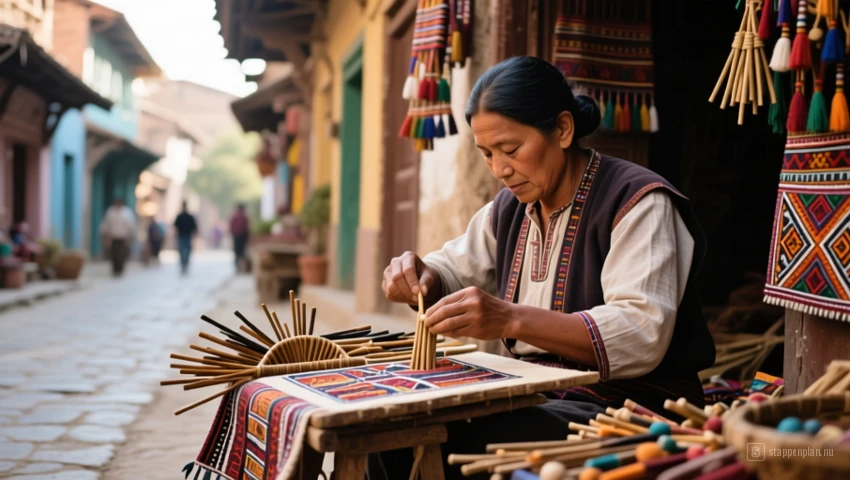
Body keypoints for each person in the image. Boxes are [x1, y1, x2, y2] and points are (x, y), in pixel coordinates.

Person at [372, 56, 716, 480]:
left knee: (458, 436)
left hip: (633, 409)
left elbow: (641, 331)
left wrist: (509, 318)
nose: (500, 170)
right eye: (486, 154)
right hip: (543, 395)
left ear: (563, 130)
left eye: (511, 150)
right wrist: (418, 276)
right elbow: (453, 267)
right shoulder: (510, 209)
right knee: (390, 430)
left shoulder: (638, 200)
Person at [99, 199, 136, 276]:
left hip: (123, 237)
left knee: (121, 254)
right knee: (114, 254)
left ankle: (120, 269)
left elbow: (131, 225)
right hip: (113, 237)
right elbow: (106, 224)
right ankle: (115, 269)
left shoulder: (127, 213)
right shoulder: (110, 212)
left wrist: (131, 236)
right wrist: (105, 236)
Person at [173, 201, 198, 275]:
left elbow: (176, 228)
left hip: (182, 236)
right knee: (186, 251)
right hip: (186, 236)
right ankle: (185, 264)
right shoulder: (189, 216)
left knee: (182, 251)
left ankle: (183, 265)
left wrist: (175, 236)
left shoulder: (180, 216)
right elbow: (195, 228)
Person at [229, 204, 250, 272]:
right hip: (243, 236)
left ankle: (238, 268)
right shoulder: (244, 217)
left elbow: (231, 227)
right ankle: (242, 268)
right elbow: (247, 228)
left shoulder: (234, 216)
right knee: (242, 252)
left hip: (236, 236)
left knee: (237, 252)